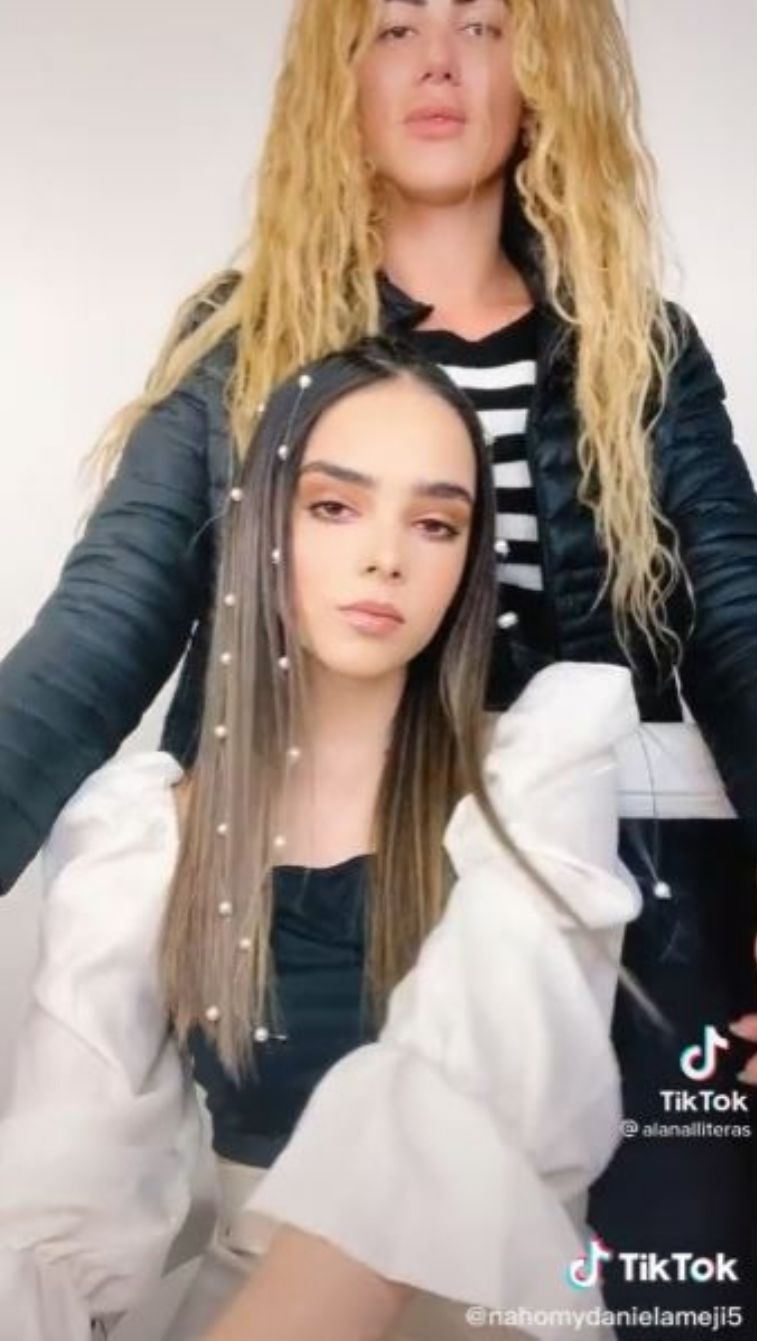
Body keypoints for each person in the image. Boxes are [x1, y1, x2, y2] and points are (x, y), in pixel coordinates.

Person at [0, 0, 757, 1331]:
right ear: (339, 75)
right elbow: (95, 637)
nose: (440, 63)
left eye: (485, 24)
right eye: (395, 27)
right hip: (325, 900)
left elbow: (742, 628)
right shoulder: (244, 339)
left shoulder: (638, 347)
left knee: (658, 1296)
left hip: (601, 894)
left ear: (547, 71)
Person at [0, 339, 644, 1341]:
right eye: (335, 507)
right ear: (262, 525)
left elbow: (483, 1076)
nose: (387, 556)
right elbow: (60, 1198)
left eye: (435, 523)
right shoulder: (148, 835)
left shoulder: (539, 777)